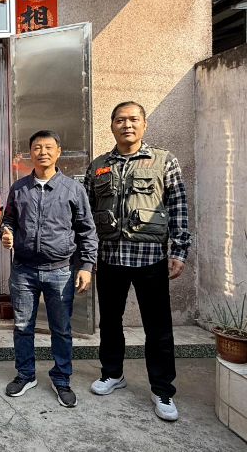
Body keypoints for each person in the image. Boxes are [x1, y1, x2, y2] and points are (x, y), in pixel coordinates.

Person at [84, 101, 191, 422]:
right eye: (120, 120)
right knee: (110, 322)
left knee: (158, 328)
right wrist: (87, 255)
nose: (127, 125)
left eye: (133, 119)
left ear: (144, 124)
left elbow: (178, 205)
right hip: (110, 259)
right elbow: (86, 213)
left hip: (151, 259)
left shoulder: (163, 161)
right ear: (111, 125)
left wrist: (179, 250)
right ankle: (112, 373)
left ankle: (162, 389)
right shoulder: (98, 166)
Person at [0, 130, 97, 408]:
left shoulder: (73, 189)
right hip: (24, 269)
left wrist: (86, 266)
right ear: (29, 153)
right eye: (37, 148)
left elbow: (87, 230)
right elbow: (8, 220)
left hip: (60, 271)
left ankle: (61, 378)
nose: (42, 152)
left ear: (58, 151)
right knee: (22, 326)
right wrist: (6, 233)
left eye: (48, 147)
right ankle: (25, 374)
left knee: (61, 329)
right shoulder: (19, 188)